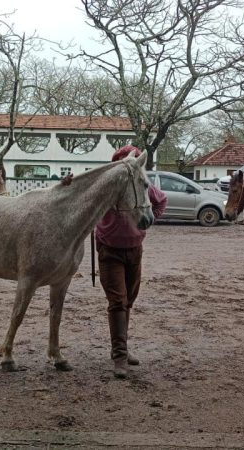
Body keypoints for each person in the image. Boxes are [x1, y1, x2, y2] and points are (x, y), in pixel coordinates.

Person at [95, 145, 167, 379]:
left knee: (128, 301)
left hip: (135, 249)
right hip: (109, 250)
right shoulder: (107, 186)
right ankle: (119, 356)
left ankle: (122, 348)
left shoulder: (141, 183)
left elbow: (160, 200)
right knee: (117, 301)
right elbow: (83, 194)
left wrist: (148, 220)